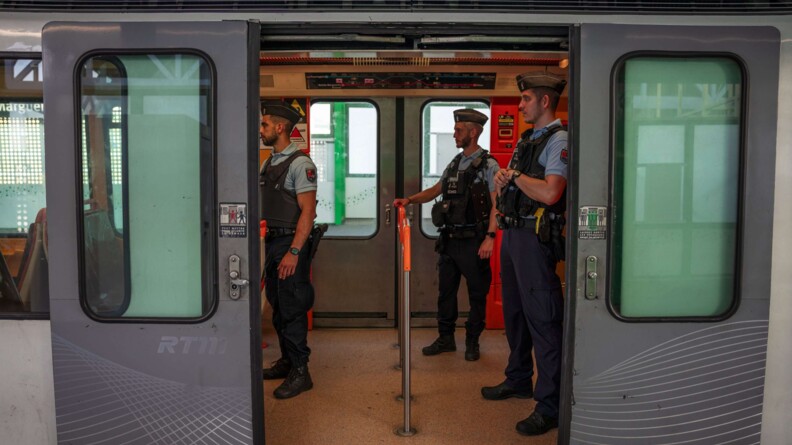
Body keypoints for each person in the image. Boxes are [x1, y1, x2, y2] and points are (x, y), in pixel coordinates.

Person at [481, 73, 568, 436]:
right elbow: (515, 182)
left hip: (535, 240)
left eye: (526, 99)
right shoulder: (526, 140)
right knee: (515, 315)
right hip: (513, 235)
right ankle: (518, 378)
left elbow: (551, 193)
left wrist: (514, 176)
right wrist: (503, 180)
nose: (519, 106)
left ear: (545, 102)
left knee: (543, 322)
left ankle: (549, 405)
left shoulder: (559, 140)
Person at [393, 108, 499, 362]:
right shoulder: (455, 162)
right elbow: (435, 190)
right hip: (450, 241)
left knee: (476, 295)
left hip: (475, 241)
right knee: (446, 294)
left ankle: (472, 342)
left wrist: (491, 237)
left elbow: (498, 203)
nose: (454, 134)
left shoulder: (489, 165)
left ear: (474, 132)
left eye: (458, 130)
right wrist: (409, 200)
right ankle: (446, 339)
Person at [259, 100, 318, 399]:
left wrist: (294, 252)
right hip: (273, 242)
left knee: (292, 309)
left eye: (265, 124)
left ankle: (300, 372)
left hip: (290, 244)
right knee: (278, 307)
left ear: (280, 127)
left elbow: (307, 213)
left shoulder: (300, 164)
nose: (262, 129)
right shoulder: (269, 163)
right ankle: (287, 361)